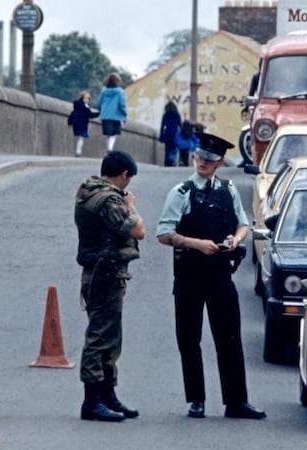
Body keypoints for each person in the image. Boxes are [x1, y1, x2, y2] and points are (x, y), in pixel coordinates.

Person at [156, 132, 266, 420]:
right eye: (200, 157)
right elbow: (164, 233)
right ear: (194, 156)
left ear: (219, 164)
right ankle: (196, 399)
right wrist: (196, 244)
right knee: (189, 339)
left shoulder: (227, 190)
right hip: (190, 276)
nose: (203, 162)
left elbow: (244, 224)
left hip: (220, 275)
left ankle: (236, 401)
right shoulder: (181, 193)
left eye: (210, 159)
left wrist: (235, 239)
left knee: (229, 338)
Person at [74, 150, 145, 422]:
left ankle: (107, 395)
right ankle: (92, 401)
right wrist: (132, 206)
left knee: (109, 336)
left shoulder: (88, 191)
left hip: (101, 272)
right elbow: (137, 230)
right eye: (129, 179)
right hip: (105, 272)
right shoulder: (109, 200)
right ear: (124, 175)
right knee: (100, 337)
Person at [97, 72, 128, 152]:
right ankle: (110, 148)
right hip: (116, 116)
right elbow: (122, 104)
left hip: (105, 115)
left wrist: (101, 111)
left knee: (108, 134)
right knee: (114, 134)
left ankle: (108, 147)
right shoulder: (120, 91)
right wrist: (124, 114)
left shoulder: (103, 91)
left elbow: (99, 103)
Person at [67, 91, 100, 157]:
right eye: (86, 98)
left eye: (88, 98)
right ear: (82, 98)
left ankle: (78, 151)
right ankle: (78, 152)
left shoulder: (77, 105)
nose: (87, 100)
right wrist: (99, 113)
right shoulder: (85, 107)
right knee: (81, 137)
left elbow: (72, 114)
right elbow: (90, 114)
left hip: (76, 122)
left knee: (80, 136)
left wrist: (69, 122)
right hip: (82, 123)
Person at [159, 101, 182, 167]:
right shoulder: (177, 115)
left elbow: (162, 126)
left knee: (167, 149)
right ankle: (172, 162)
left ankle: (166, 162)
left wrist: (161, 136)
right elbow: (180, 125)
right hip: (174, 134)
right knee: (173, 149)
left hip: (167, 134)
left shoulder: (166, 115)